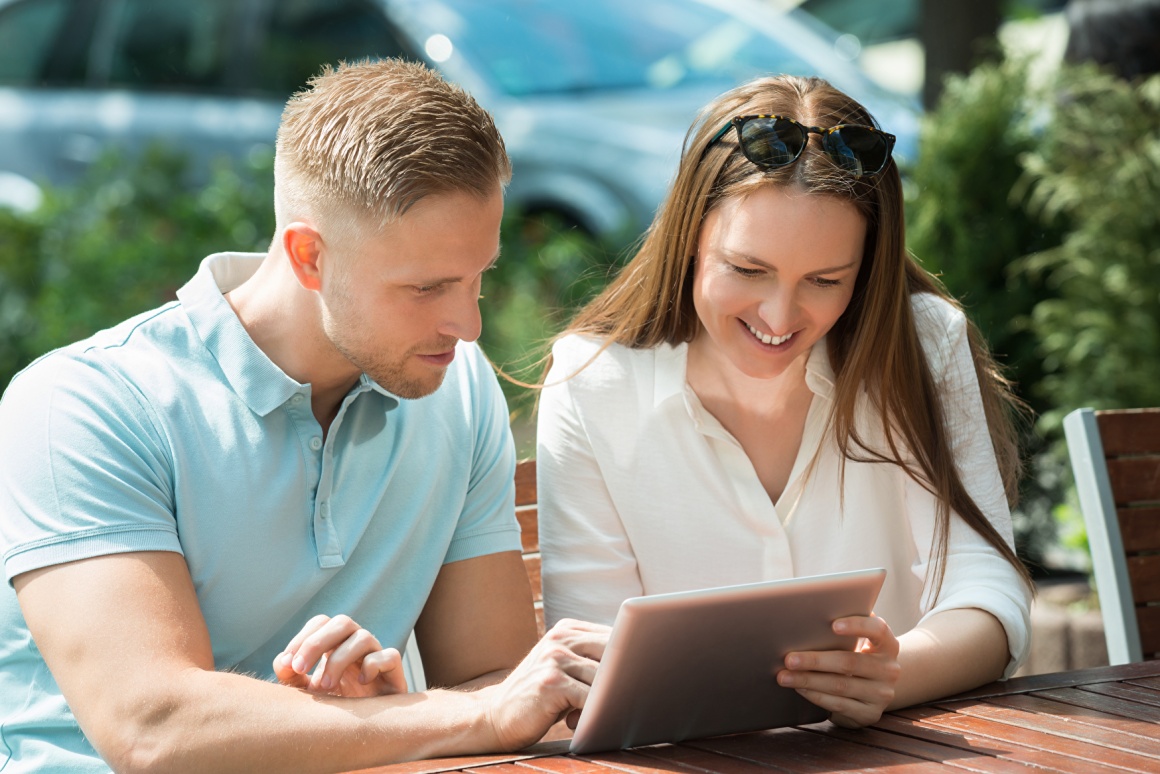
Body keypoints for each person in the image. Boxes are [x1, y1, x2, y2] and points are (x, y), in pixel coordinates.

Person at [0, 59, 606, 774]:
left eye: (481, 278)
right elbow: (152, 730)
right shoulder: (82, 406)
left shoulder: (454, 385)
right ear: (308, 255)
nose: (469, 325)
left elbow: (496, 687)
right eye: (427, 287)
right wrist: (417, 719)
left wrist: (384, 713)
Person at [536, 74, 1033, 729]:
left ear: (867, 268)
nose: (779, 315)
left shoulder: (921, 343)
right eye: (747, 270)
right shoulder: (591, 383)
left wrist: (892, 675)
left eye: (825, 281)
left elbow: (990, 592)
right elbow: (593, 670)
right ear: (688, 237)